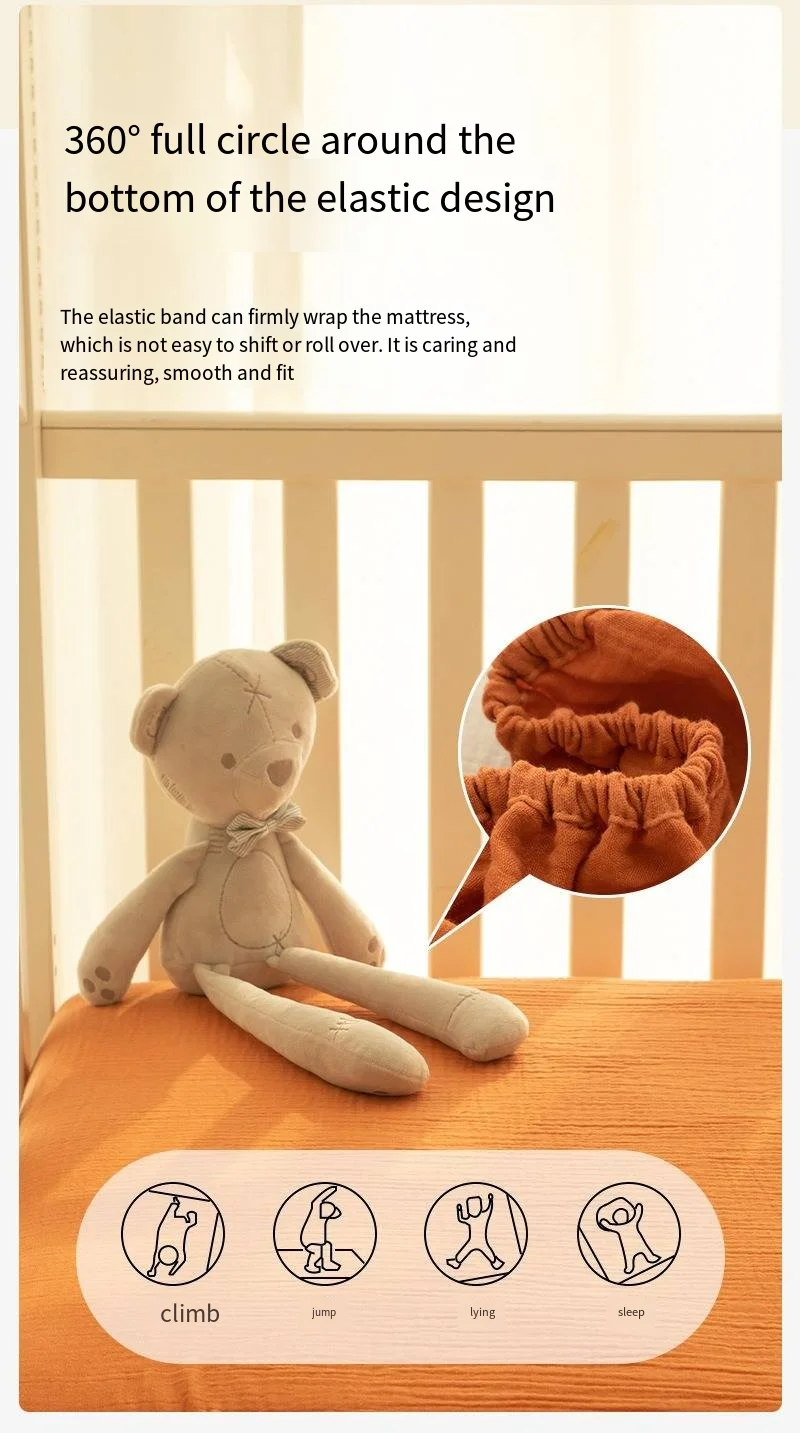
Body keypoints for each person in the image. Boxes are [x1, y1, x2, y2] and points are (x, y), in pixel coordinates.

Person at [595, 1196, 660, 1277]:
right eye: (619, 1217)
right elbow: (610, 1226)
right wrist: (605, 1224)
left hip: (638, 1242)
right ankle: (629, 1267)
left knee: (645, 1250)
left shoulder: (632, 1222)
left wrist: (638, 1208)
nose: (622, 1218)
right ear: (615, 1219)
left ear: (626, 1215)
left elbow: (637, 1215)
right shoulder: (619, 1228)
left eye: (623, 1215)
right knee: (629, 1258)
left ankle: (651, 1258)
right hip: (628, 1246)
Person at [446, 1192, 503, 1272]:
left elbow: (489, 1209)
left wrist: (490, 1200)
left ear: (480, 1206)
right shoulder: (471, 1218)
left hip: (481, 1241)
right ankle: (456, 1262)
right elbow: (461, 1219)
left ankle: (495, 1262)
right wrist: (459, 1210)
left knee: (487, 1251)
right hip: (472, 1241)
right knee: (465, 1251)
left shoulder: (483, 1215)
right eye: (470, 1207)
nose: (472, 1210)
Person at [147, 1196, 198, 1278]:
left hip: (168, 1231)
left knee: (180, 1258)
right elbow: (192, 1222)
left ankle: (159, 1271)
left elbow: (192, 1221)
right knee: (180, 1258)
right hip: (170, 1231)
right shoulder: (181, 1223)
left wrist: (175, 1204)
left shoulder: (179, 1223)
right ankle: (161, 1271)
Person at [300, 1184, 343, 1274]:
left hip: (318, 1240)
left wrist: (332, 1209)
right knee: (317, 1251)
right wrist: (330, 1190)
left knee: (327, 1245)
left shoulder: (324, 1217)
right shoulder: (316, 1212)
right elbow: (316, 1201)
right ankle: (310, 1266)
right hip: (309, 1240)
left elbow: (337, 1213)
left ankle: (327, 1263)